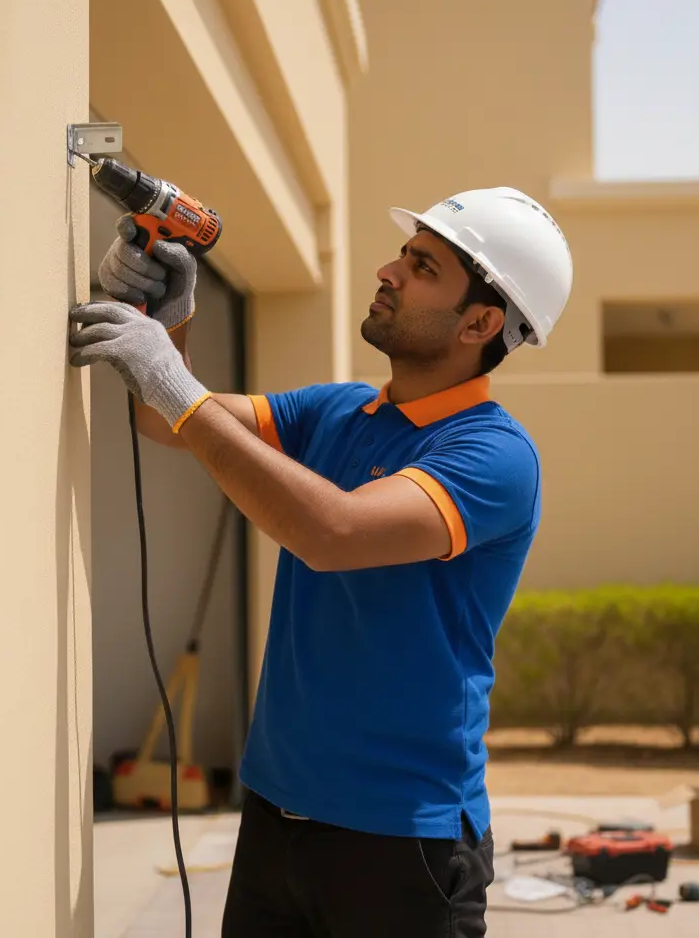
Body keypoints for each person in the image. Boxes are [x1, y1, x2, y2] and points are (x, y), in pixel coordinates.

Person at [70, 186, 573, 937]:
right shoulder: (338, 411)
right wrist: (170, 316)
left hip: (403, 842)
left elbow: (334, 533)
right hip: (275, 815)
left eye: (423, 267)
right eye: (403, 255)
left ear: (480, 323)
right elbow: (166, 419)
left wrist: (170, 380)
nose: (388, 272)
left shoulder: (493, 453)